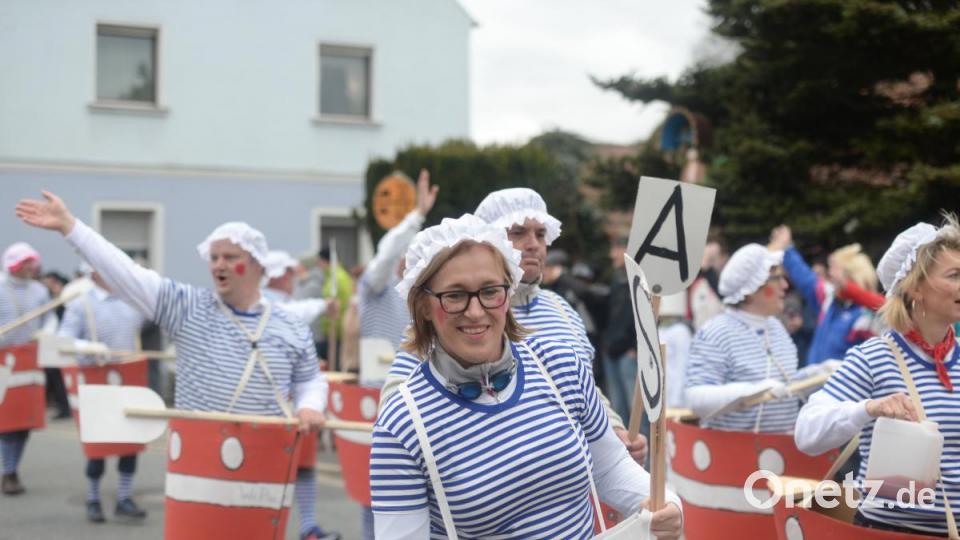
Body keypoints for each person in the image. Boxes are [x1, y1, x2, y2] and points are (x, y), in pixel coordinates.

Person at [15, 192, 338, 540]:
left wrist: (309, 407)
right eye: (214, 257)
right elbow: (126, 273)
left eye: (230, 256)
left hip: (263, 464)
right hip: (198, 465)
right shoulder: (187, 307)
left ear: (259, 265)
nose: (219, 265)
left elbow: (310, 379)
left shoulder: (290, 325)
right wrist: (71, 227)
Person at [370, 214, 683, 539]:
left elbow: (611, 467)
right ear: (422, 306)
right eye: (455, 295)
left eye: (490, 291)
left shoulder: (560, 364)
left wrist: (667, 503)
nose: (475, 311)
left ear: (509, 293)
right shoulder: (402, 424)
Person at [382, 187, 648, 464]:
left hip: (573, 480)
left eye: (541, 234)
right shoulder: (452, 316)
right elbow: (395, 404)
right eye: (518, 233)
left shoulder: (562, 309)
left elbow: (586, 391)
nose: (533, 244)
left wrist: (615, 430)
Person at [795, 214, 960, 536]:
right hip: (891, 532)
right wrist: (868, 408)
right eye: (954, 275)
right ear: (915, 288)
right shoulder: (875, 356)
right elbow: (806, 433)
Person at [685, 244, 831, 432]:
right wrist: (753, 391)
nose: (785, 285)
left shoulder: (776, 327)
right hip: (733, 452)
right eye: (777, 278)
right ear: (753, 286)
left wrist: (820, 374)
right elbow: (696, 397)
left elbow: (784, 385)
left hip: (778, 450)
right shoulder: (716, 332)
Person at [58, 265, 148, 523]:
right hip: (95, 380)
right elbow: (63, 338)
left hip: (128, 378)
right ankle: (93, 498)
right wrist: (87, 346)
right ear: (94, 273)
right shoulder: (81, 304)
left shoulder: (132, 301)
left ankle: (124, 497)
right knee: (98, 447)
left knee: (130, 446)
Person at [769, 226, 883, 365]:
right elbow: (805, 277)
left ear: (850, 275)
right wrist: (787, 248)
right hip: (816, 382)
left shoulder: (868, 316)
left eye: (834, 270)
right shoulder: (830, 300)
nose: (830, 276)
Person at [0, 242, 55, 496]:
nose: (30, 267)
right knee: (6, 421)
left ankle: (11, 469)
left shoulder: (39, 291)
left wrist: (46, 333)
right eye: (25, 262)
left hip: (30, 359)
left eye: (31, 262)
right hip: (3, 360)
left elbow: (50, 320)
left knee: (23, 422)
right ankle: (8, 471)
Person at [316, 246, 353, 368]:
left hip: (337, 331)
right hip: (331, 330)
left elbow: (343, 304)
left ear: (325, 261)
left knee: (336, 364)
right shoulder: (330, 277)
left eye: (319, 262)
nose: (319, 266)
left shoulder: (339, 277)